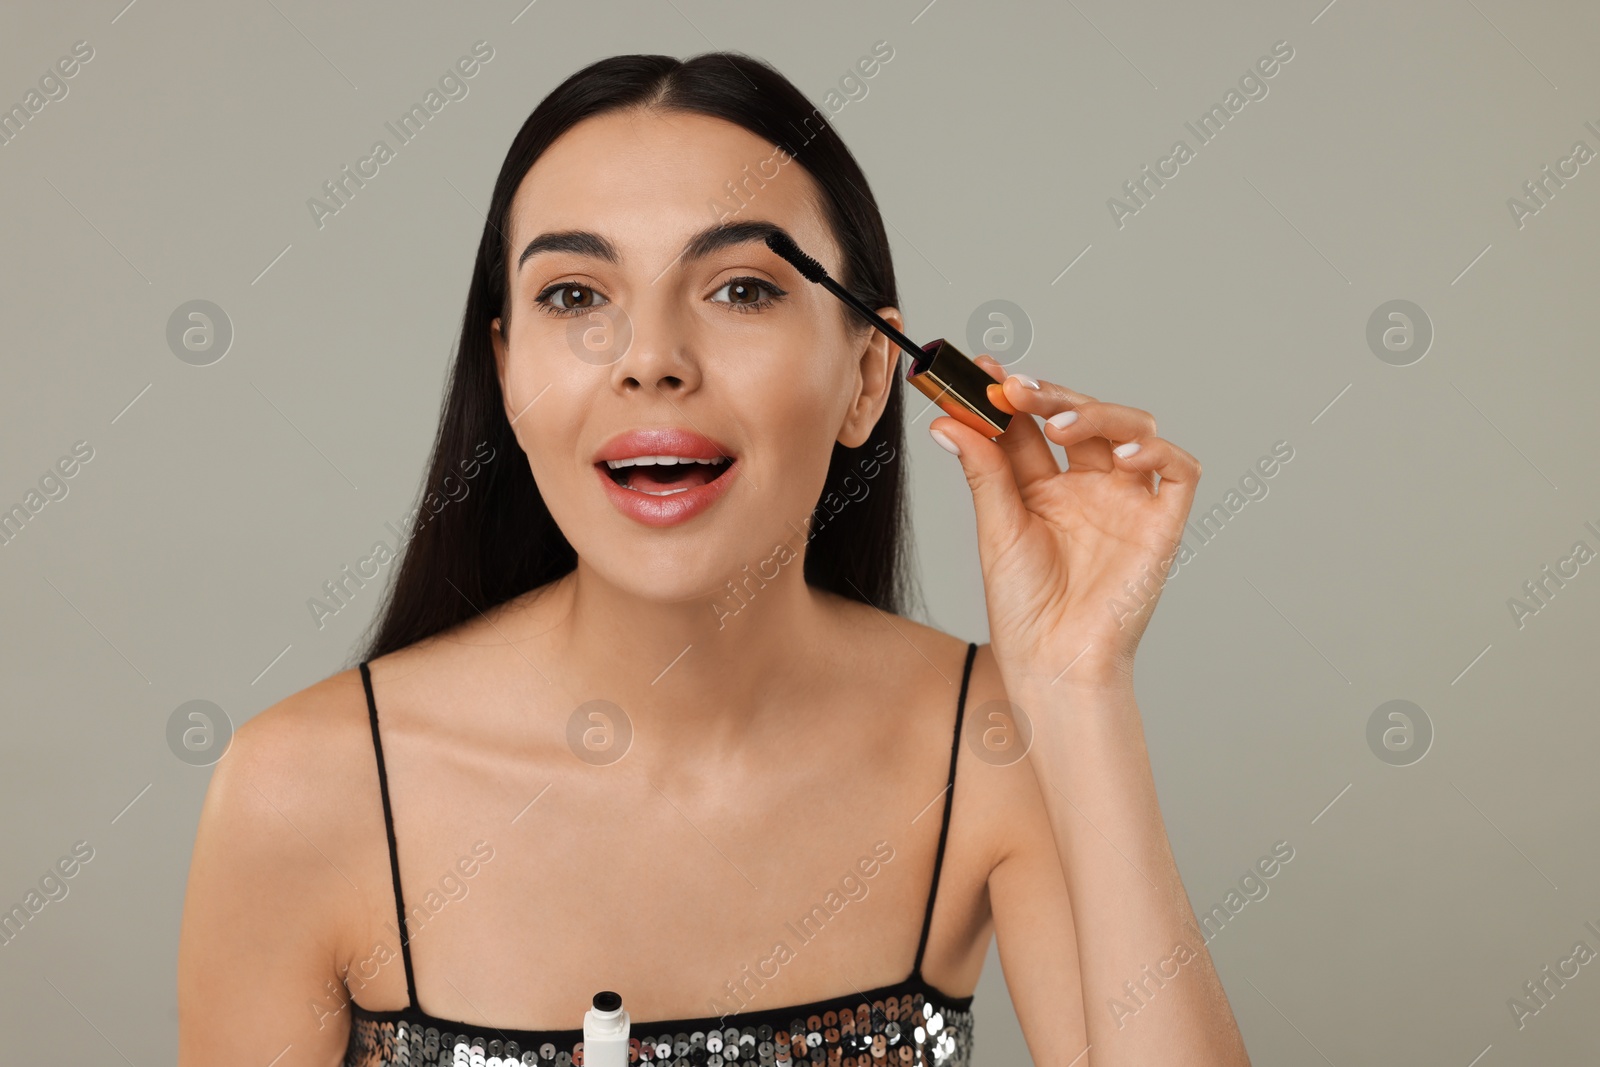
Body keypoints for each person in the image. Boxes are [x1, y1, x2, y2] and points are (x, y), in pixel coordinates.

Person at [177, 51, 1247, 1067]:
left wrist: (1076, 685)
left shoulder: (996, 745)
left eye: (740, 288)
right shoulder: (304, 790)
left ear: (869, 375)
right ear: (506, 370)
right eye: (575, 296)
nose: (649, 359)